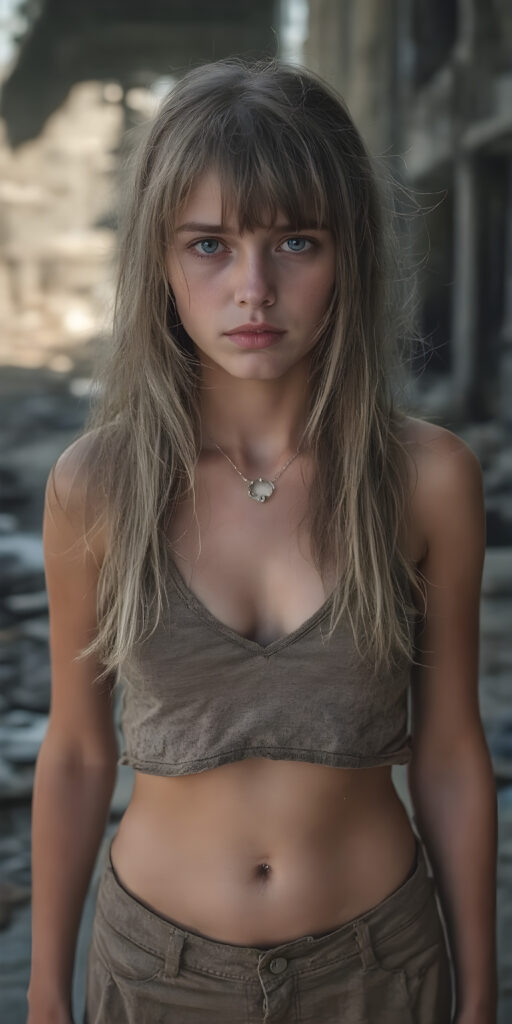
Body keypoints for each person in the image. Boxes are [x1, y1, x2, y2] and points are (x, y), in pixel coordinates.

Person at [27, 57, 497, 1024]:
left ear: (348, 255)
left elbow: (450, 750)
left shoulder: (426, 479)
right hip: (156, 973)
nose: (253, 287)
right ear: (158, 260)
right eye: (208, 244)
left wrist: (481, 987)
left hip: (378, 970)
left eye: (295, 240)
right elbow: (75, 752)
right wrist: (42, 988)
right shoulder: (98, 485)